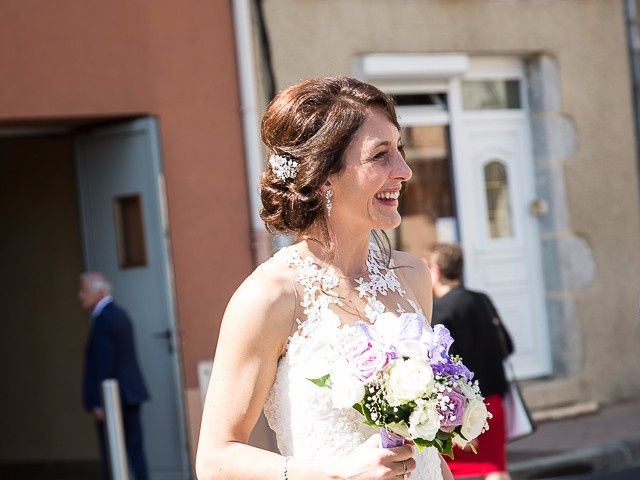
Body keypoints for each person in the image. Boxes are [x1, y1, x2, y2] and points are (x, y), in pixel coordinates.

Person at [196, 77, 454, 480]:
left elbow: (428, 453)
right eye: (380, 156)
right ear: (324, 175)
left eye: (399, 150)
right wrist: (335, 473)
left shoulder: (413, 276)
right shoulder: (271, 297)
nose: (404, 171)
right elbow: (214, 460)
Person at [426, 243, 514, 480]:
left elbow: (442, 368)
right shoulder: (482, 299)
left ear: (435, 271)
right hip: (493, 400)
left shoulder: (437, 311)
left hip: (458, 407)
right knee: (495, 467)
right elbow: (507, 346)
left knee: (451, 472)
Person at [79, 272, 150, 480]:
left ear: (100, 291)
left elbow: (104, 363)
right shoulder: (119, 314)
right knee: (135, 450)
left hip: (115, 398)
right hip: (130, 394)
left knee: (114, 453)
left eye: (84, 290)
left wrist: (100, 402)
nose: (80, 296)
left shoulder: (104, 319)